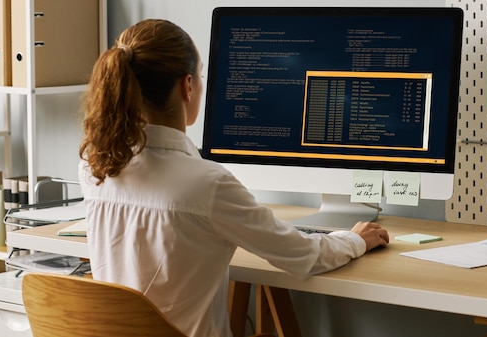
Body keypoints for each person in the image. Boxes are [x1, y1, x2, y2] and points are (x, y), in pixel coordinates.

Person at [78, 19, 390, 337]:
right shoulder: (206, 184)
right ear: (187, 86)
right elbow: (303, 256)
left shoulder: (95, 166)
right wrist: (355, 240)